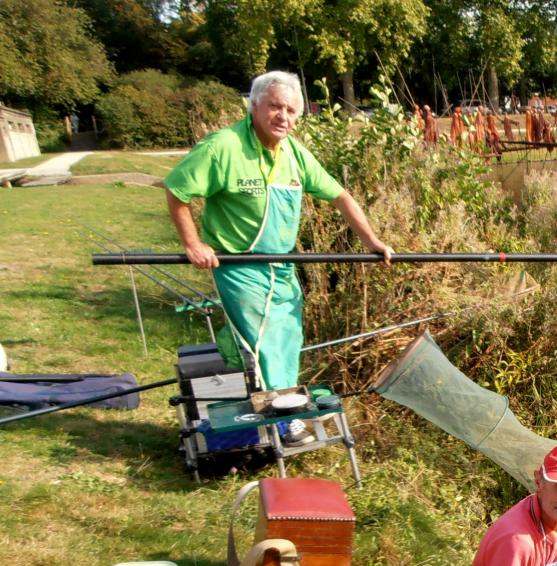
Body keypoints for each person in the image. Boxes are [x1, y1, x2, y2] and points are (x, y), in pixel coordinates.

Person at [164, 71, 392, 442]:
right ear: (254, 106)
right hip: (238, 265)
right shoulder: (223, 147)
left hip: (281, 265)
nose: (283, 116)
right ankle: (284, 419)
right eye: (274, 106)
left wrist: (372, 241)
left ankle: (277, 399)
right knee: (264, 341)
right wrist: (194, 244)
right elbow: (177, 191)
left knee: (287, 336)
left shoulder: (295, 155)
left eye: (290, 110)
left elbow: (340, 196)